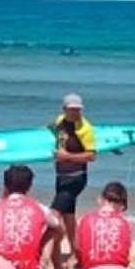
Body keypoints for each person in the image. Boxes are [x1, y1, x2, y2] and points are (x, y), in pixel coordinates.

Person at [0, 164, 64, 269]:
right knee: (55, 230)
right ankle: (46, 263)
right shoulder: (40, 208)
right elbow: (58, 227)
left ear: (5, 186)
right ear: (30, 186)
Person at [50, 93, 96, 260]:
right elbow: (54, 131)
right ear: (64, 109)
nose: (76, 113)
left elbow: (91, 156)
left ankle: (45, 256)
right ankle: (76, 252)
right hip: (61, 176)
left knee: (53, 216)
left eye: (78, 109)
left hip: (76, 177)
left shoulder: (85, 128)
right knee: (68, 217)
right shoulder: (59, 121)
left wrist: (67, 157)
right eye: (72, 110)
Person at [75, 181, 132, 269]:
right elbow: (125, 253)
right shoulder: (125, 223)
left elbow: (78, 249)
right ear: (122, 205)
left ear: (100, 199)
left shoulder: (83, 219)